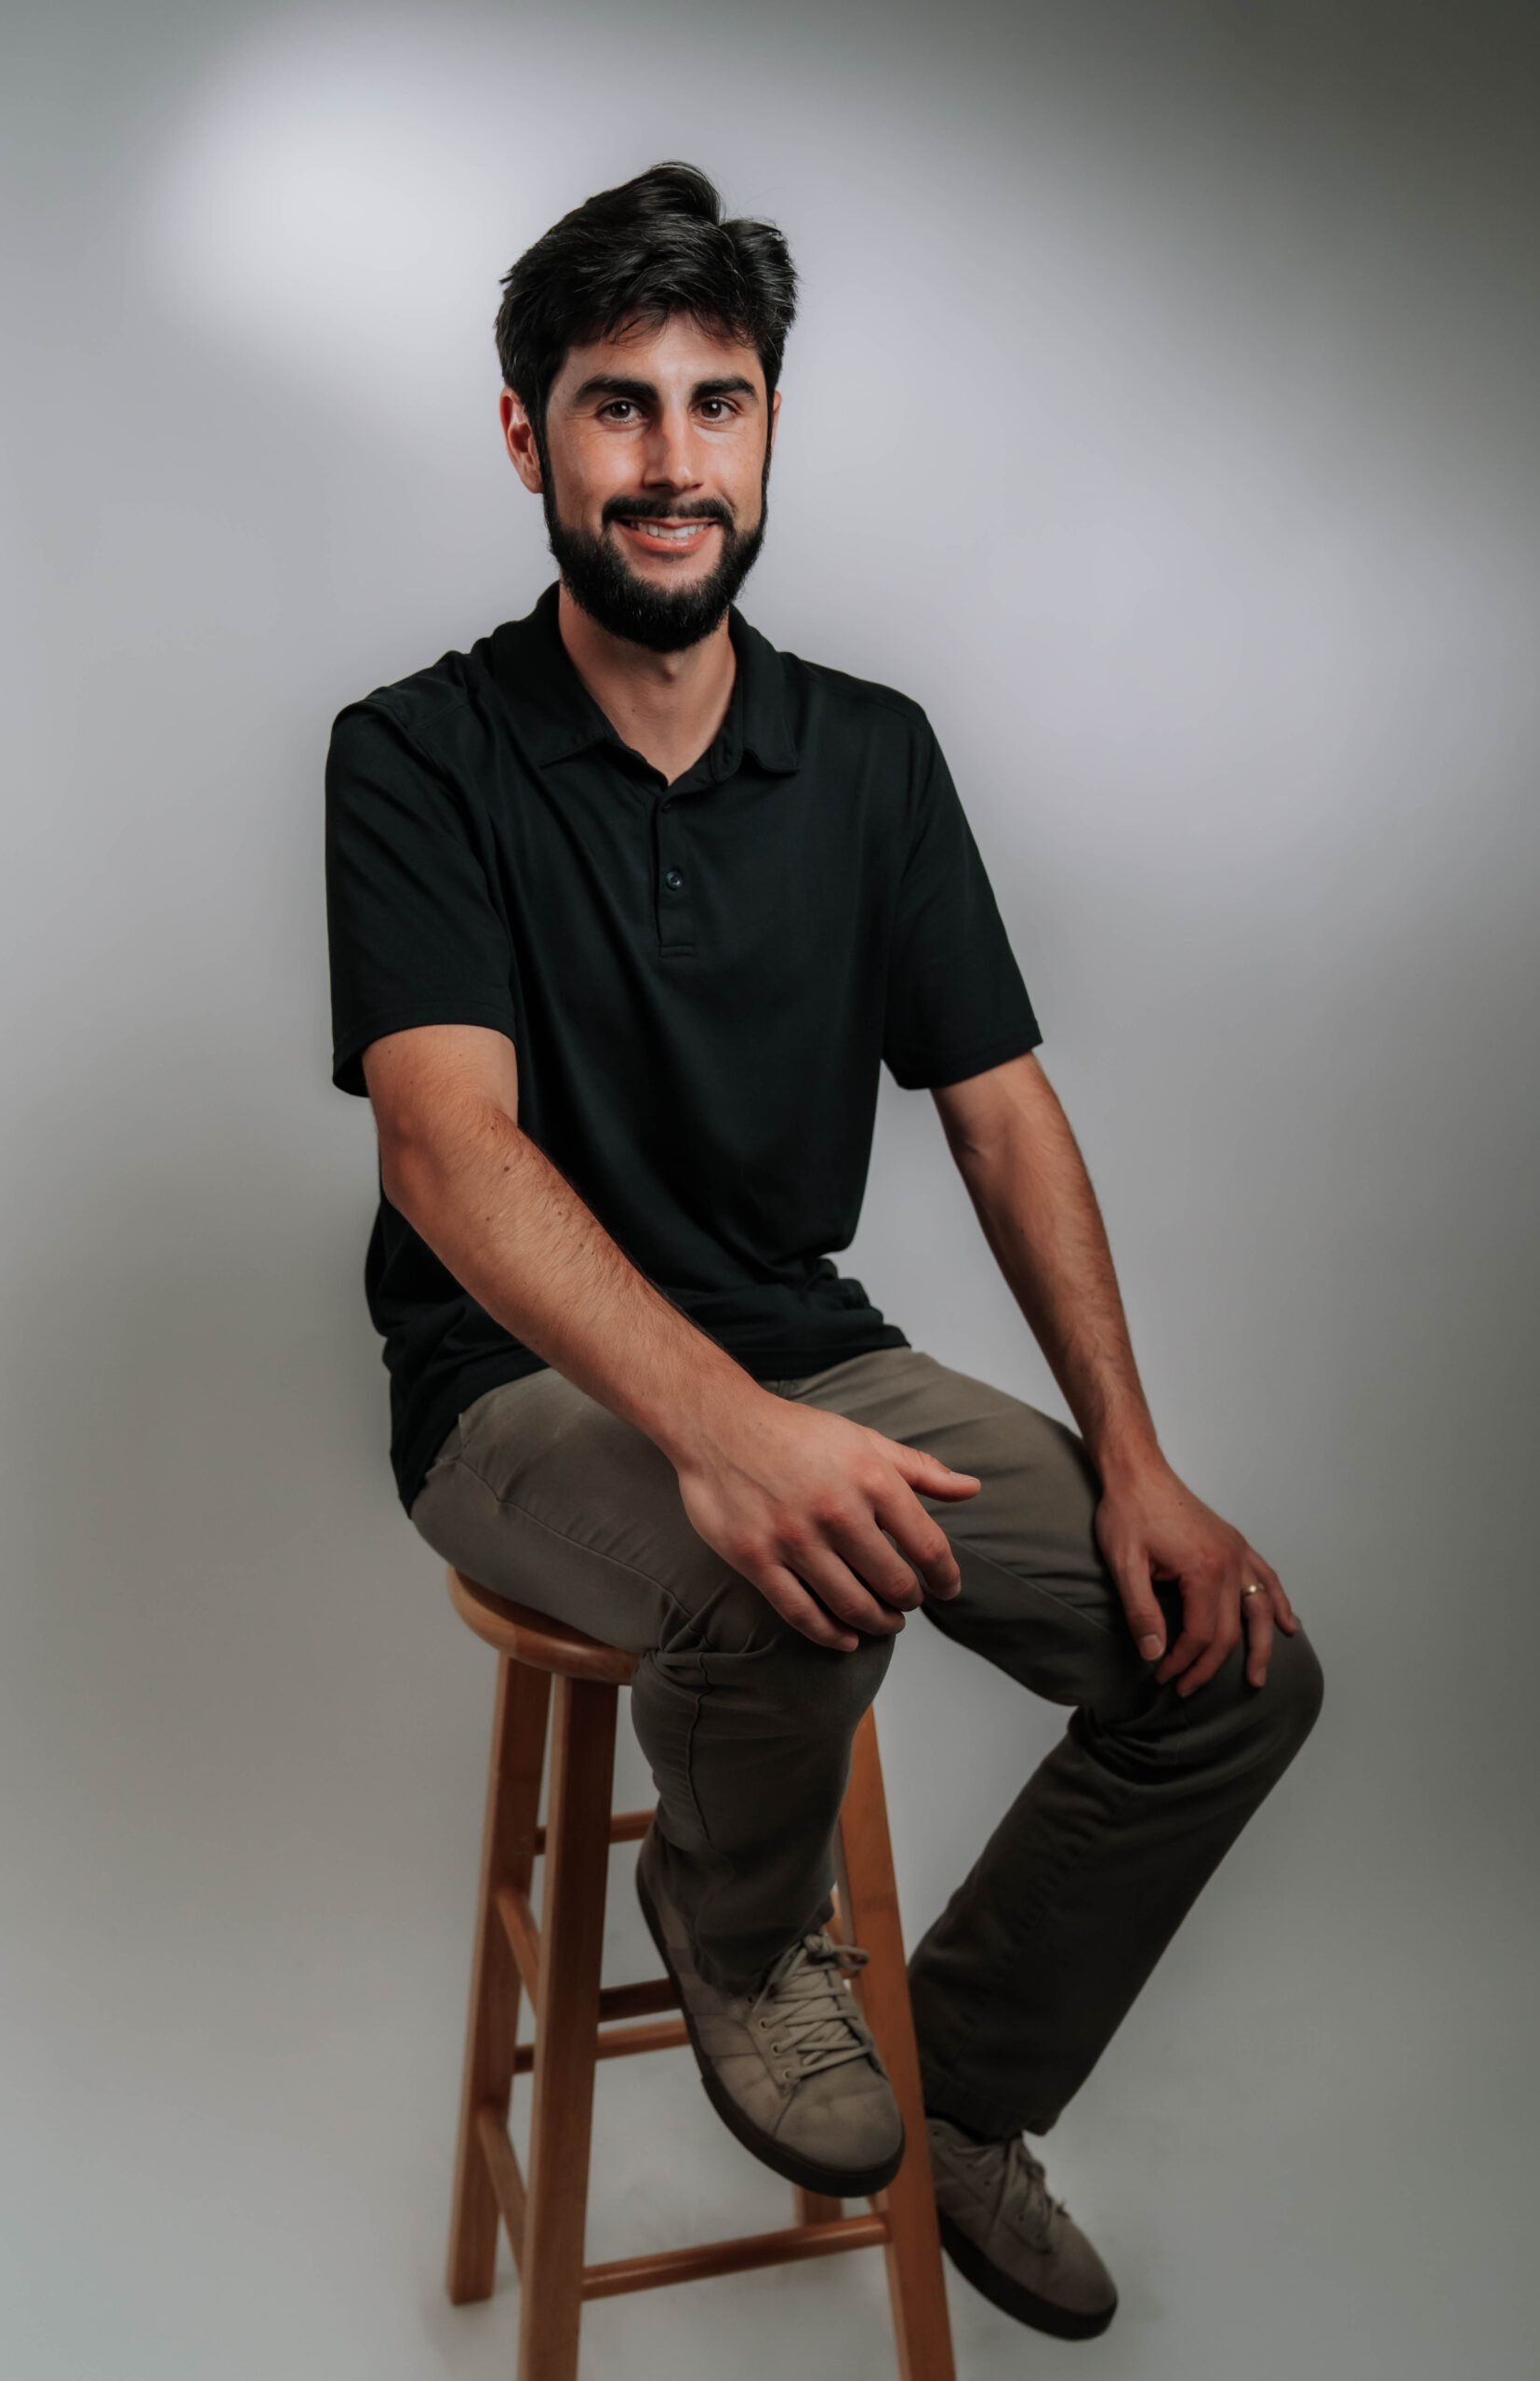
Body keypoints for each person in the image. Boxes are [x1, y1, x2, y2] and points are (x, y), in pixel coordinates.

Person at [325, 161, 1322, 2343]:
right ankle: (746, 1923)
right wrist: (720, 1435)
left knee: (1228, 1666)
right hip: (512, 1390)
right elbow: (444, 1156)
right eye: (616, 407)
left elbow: (997, 1104)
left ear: (768, 429)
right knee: (785, 1575)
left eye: (717, 403)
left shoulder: (866, 756)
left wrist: (1130, 1453)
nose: (671, 462)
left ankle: (954, 2080)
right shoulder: (416, 753)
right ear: (528, 437)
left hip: (807, 1345)